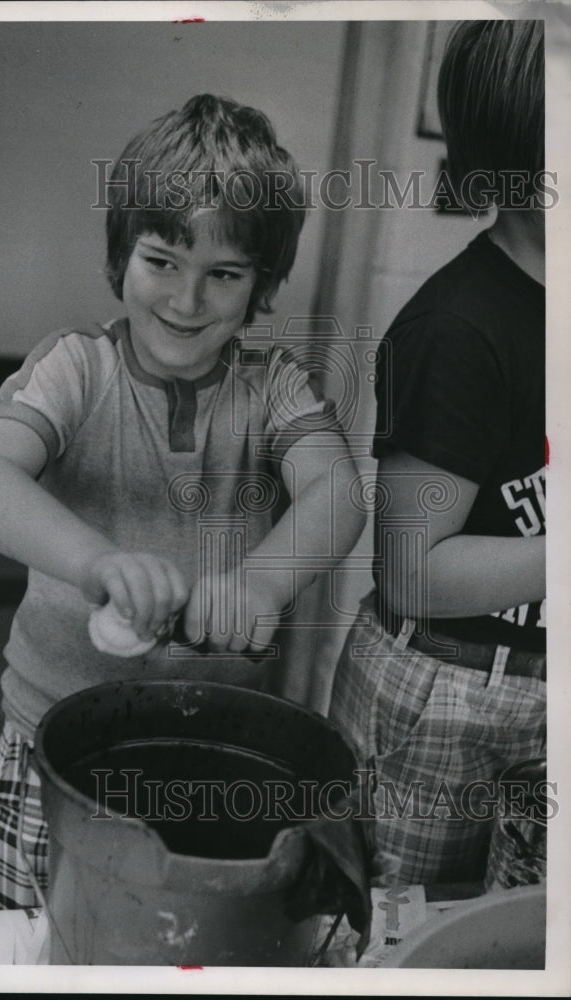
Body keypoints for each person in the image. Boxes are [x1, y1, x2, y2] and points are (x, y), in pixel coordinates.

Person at [0, 94, 364, 908]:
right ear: (120, 258)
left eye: (224, 275)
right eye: (161, 262)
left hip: (214, 748)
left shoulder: (276, 387)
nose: (186, 300)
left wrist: (262, 582)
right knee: (35, 937)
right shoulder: (75, 367)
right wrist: (96, 561)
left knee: (184, 935)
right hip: (50, 742)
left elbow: (337, 491)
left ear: (263, 284)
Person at [329, 21, 546, 886]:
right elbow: (416, 573)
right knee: (398, 941)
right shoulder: (457, 327)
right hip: (448, 697)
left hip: (539, 683)